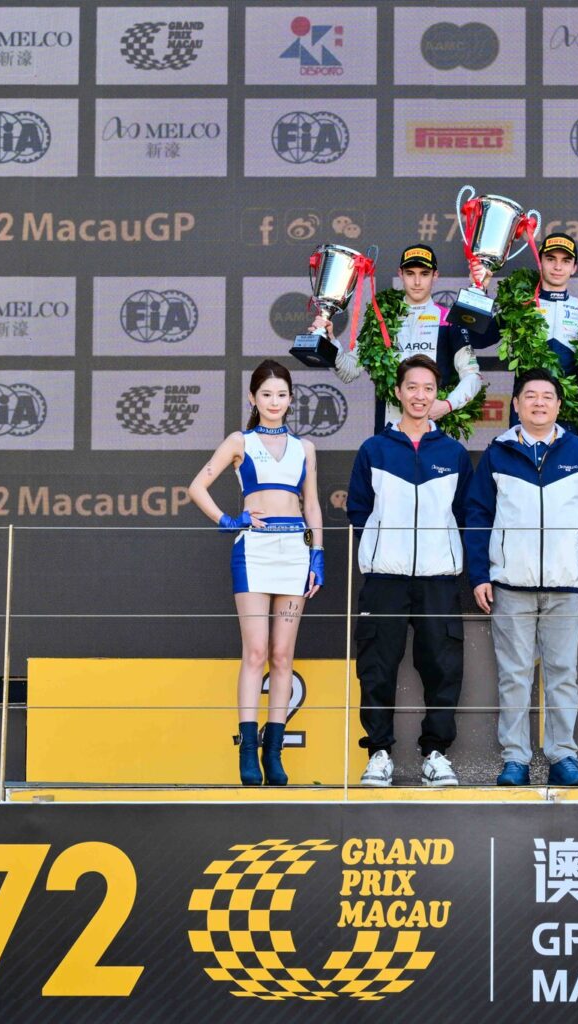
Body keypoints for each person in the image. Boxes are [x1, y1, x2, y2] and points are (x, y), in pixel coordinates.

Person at [464, 366, 578, 786]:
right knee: (514, 676)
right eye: (530, 396)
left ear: (559, 405)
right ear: (516, 404)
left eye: (547, 396)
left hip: (566, 585)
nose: (539, 403)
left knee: (563, 674)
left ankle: (563, 756)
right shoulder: (497, 453)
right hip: (511, 585)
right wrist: (480, 575)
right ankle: (516, 759)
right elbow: (478, 516)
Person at [187, 360, 325, 787]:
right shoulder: (239, 441)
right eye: (266, 394)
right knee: (256, 653)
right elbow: (197, 487)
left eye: (281, 394)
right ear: (253, 398)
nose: (274, 402)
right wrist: (229, 521)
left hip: (295, 551)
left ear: (291, 398)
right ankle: (248, 750)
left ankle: (273, 752)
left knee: (283, 656)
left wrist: (317, 554)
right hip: (254, 551)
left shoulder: (305, 448)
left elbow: (311, 504)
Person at [345, 355, 473, 787]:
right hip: (385, 577)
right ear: (398, 392)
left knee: (442, 666)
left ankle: (436, 754)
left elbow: (464, 513)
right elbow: (359, 509)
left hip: (438, 577)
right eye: (412, 387)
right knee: (377, 668)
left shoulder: (453, 452)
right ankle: (378, 754)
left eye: (428, 389)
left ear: (437, 395)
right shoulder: (374, 450)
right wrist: (385, 545)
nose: (420, 396)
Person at [323, 245, 489, 430]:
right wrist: (329, 341)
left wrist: (447, 405)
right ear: (400, 274)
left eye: (424, 274)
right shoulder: (381, 321)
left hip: (433, 430)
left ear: (435, 276)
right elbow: (349, 371)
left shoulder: (449, 320)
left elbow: (472, 375)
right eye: (410, 273)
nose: (417, 281)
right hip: (389, 431)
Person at [469, 231, 578, 426]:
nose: (558, 267)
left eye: (565, 261)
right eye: (550, 259)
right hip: (525, 409)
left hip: (568, 410)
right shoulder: (520, 306)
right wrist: (478, 290)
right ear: (540, 262)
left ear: (574, 268)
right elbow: (478, 340)